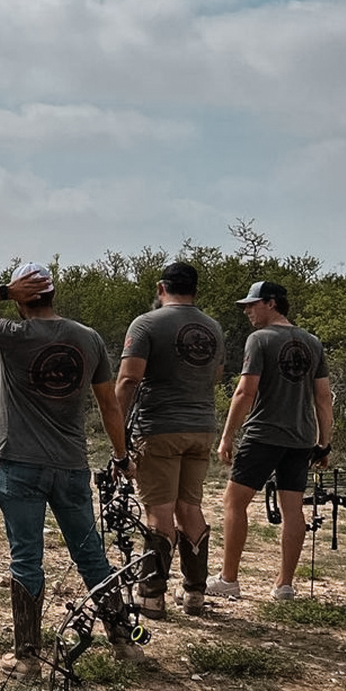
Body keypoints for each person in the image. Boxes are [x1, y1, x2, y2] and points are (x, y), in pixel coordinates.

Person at [0, 264, 144, 679]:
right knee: (90, 554)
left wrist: (2, 291)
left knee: (26, 558)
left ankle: (27, 657)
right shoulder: (88, 339)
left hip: (20, 464)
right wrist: (122, 456)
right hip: (71, 464)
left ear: (23, 299)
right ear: (53, 294)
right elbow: (109, 405)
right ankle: (123, 641)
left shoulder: (13, 335)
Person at [207, 281, 333, 601]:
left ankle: (229, 579)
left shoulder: (259, 340)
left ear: (272, 303)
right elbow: (323, 399)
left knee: (234, 502)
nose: (248, 310)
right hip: (301, 439)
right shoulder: (313, 343)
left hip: (263, 434)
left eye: (253, 304)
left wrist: (227, 437)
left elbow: (245, 392)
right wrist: (324, 443)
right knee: (293, 510)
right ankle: (284, 585)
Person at [115, 262, 224, 618]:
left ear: (162, 288)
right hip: (202, 427)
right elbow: (216, 374)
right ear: (195, 290)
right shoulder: (213, 328)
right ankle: (195, 592)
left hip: (159, 426)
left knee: (159, 512)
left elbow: (129, 379)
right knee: (190, 508)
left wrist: (115, 425)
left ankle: (152, 595)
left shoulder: (146, 324)